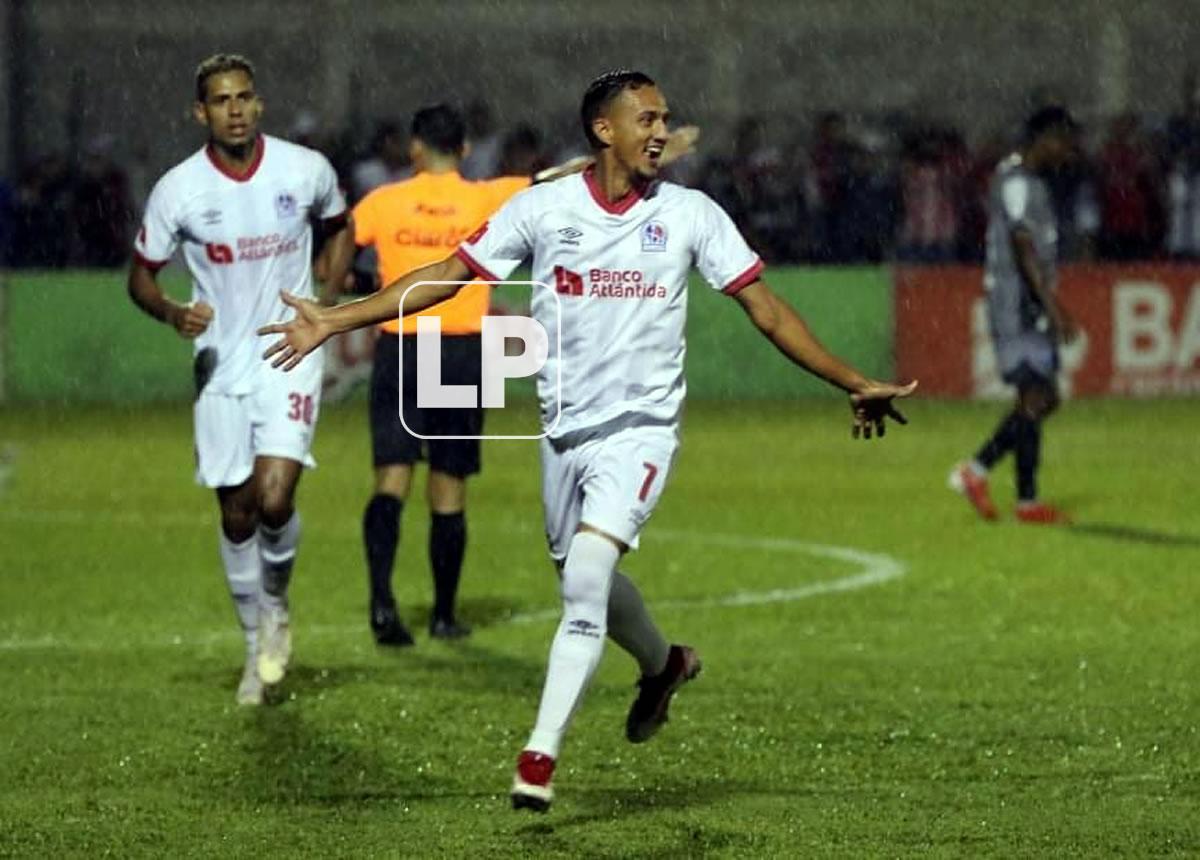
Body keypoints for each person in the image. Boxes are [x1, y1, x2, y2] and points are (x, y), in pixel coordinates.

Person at [258, 70, 914, 810]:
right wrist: (333, 318)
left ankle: (538, 757)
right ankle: (664, 665)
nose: (662, 131)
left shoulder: (693, 215)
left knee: (581, 584)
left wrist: (851, 379)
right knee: (580, 572)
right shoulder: (541, 210)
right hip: (560, 433)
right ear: (604, 130)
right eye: (647, 119)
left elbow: (766, 310)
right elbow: (445, 275)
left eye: (666, 119)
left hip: (641, 433)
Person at [127, 54, 355, 705]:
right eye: (221, 100)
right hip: (220, 366)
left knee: (276, 498)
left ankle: (276, 606)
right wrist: (172, 310)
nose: (235, 109)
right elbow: (140, 274)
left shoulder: (303, 169)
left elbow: (342, 229)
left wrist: (327, 300)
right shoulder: (179, 190)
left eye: (244, 97)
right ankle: (255, 648)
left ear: (258, 104)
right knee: (236, 515)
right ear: (201, 112)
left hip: (288, 351)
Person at [346, 104, 533, 645]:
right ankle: (444, 615)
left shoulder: (383, 202)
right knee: (448, 488)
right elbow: (559, 181)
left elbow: (340, 240)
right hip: (460, 351)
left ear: (414, 148)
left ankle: (383, 604)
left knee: (392, 478)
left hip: (400, 344)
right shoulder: (489, 198)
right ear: (467, 150)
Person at [949, 107, 1080, 525]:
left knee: (1043, 397)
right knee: (1036, 396)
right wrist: (1052, 305)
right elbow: (1023, 246)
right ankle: (992, 479)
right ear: (1043, 139)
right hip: (1018, 303)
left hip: (1028, 302)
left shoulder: (1023, 179)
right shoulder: (1019, 184)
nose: (1067, 151)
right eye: (1063, 141)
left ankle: (1012, 492)